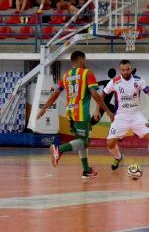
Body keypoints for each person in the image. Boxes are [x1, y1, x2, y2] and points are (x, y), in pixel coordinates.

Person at [37, 51, 115, 179]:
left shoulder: (66, 75)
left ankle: (86, 170)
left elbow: (55, 94)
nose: (85, 62)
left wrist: (44, 109)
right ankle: (59, 149)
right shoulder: (87, 73)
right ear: (81, 60)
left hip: (70, 112)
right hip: (81, 113)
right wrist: (106, 110)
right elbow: (95, 95)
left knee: (82, 140)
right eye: (85, 59)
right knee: (85, 141)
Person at [94, 60, 149, 173]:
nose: (126, 72)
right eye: (123, 70)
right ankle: (118, 157)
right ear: (120, 70)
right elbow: (101, 96)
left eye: (128, 69)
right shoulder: (114, 82)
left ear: (131, 69)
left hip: (136, 115)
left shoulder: (139, 80)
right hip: (121, 117)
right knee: (110, 143)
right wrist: (97, 110)